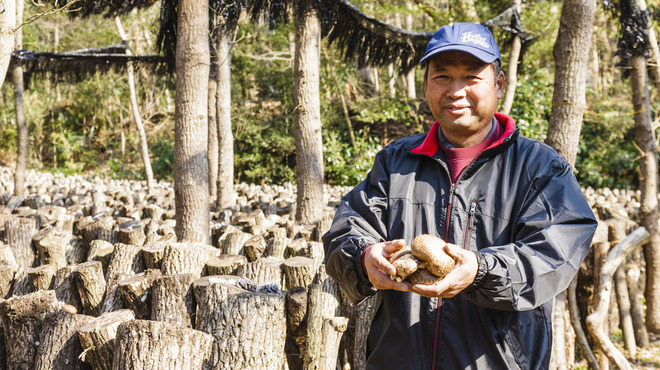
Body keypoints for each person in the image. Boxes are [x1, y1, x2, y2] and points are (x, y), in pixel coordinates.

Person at [322, 22, 597, 369]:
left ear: (498, 84)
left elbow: (554, 254)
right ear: (426, 87)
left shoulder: (540, 168)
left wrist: (479, 271)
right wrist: (364, 258)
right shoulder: (395, 162)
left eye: (471, 77)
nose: (455, 90)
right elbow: (346, 229)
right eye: (442, 77)